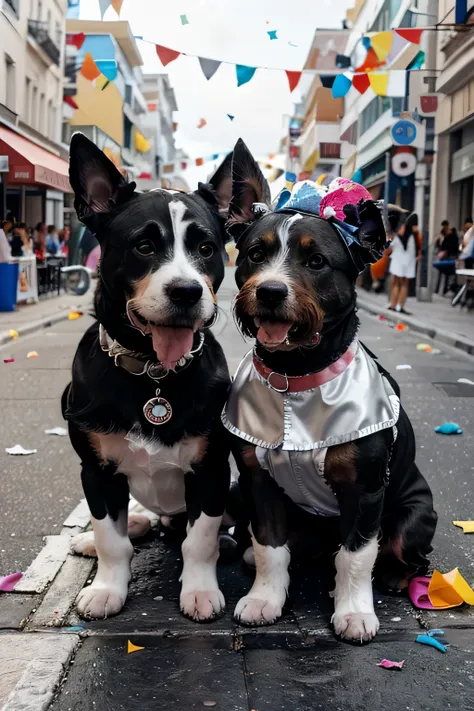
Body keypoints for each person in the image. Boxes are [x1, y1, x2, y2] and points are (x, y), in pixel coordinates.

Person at [388, 212, 419, 315]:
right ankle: (399, 306)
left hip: (398, 261)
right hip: (407, 262)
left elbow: (390, 245)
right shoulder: (412, 236)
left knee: (396, 283)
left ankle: (393, 305)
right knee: (404, 285)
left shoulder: (398, 233)